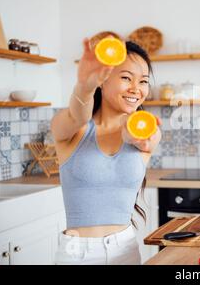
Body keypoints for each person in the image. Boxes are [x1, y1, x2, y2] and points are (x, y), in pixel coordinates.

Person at [51, 38, 161, 264]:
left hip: (125, 250)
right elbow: (77, 115)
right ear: (103, 80)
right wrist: (84, 85)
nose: (136, 89)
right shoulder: (73, 130)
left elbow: (143, 140)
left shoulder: (148, 129)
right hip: (77, 254)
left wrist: (133, 136)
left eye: (143, 81)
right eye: (126, 78)